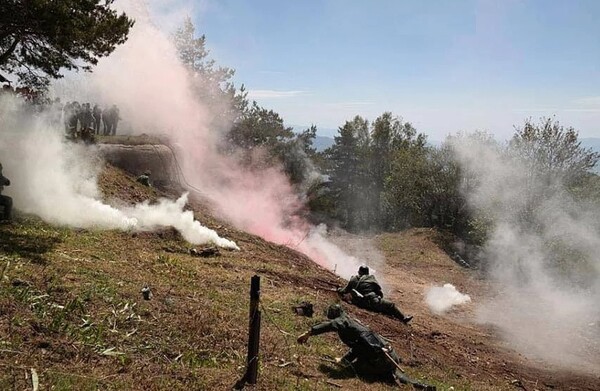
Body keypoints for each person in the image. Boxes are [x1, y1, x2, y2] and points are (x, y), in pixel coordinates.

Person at [297, 304, 435, 390]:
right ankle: (420, 385)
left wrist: (309, 332)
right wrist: (344, 359)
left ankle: (386, 375)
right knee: (394, 373)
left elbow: (330, 326)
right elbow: (358, 347)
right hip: (390, 355)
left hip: (378, 360)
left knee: (354, 370)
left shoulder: (342, 322)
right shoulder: (354, 323)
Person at [338, 265, 413, 324]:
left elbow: (344, 291)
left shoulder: (353, 279)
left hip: (360, 303)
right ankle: (403, 318)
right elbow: (379, 293)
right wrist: (379, 297)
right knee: (391, 305)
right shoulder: (371, 279)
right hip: (372, 302)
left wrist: (338, 289)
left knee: (384, 309)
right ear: (367, 273)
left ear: (359, 272)